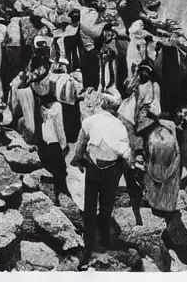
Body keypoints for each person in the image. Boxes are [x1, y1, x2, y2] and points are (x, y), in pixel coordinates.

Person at [71, 88, 133, 268]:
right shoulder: (120, 127)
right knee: (107, 205)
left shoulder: (90, 121)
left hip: (92, 169)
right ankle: (105, 237)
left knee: (89, 206)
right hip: (110, 172)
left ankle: (88, 245)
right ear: (115, 109)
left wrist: (79, 162)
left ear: (103, 105)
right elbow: (127, 154)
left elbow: (80, 144)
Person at [38, 91, 71, 205]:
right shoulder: (57, 108)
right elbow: (59, 127)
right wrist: (64, 144)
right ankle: (62, 194)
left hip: (45, 141)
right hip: (55, 143)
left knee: (52, 169)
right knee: (59, 171)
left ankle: (55, 195)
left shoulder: (42, 109)